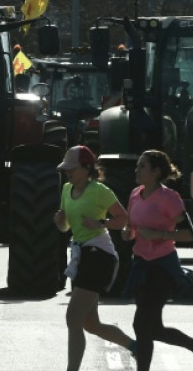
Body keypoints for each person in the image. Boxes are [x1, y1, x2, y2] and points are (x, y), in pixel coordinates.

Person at [122, 149, 193, 371]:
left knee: (141, 324)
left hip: (163, 267)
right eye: (138, 165)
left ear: (156, 172)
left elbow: (188, 234)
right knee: (153, 329)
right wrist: (127, 232)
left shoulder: (169, 198)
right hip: (141, 265)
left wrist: (160, 235)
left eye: (142, 166)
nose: (137, 170)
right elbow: (130, 224)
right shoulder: (135, 194)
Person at [53, 145, 135, 371]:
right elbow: (65, 227)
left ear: (87, 168)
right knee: (91, 324)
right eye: (65, 168)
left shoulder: (100, 190)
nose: (67, 172)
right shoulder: (66, 189)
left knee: (73, 318)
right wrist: (59, 221)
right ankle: (136, 347)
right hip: (81, 255)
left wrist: (101, 223)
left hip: (99, 255)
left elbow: (123, 218)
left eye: (72, 168)